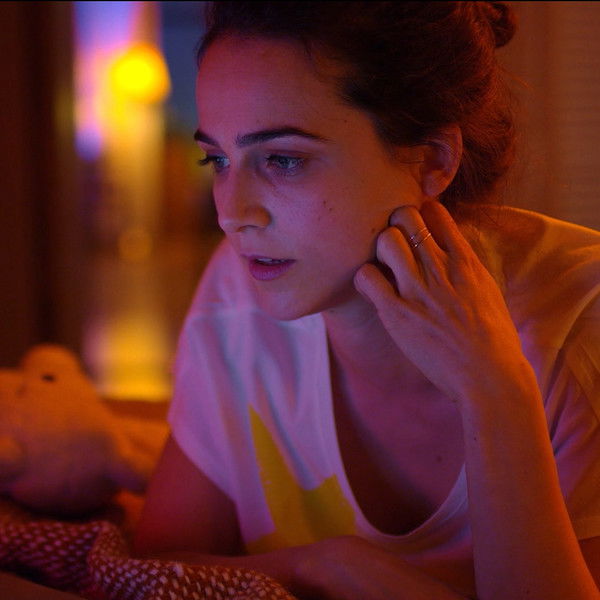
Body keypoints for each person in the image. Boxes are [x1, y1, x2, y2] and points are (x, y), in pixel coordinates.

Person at [134, 2, 600, 598]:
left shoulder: (579, 326)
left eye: (283, 159)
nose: (232, 214)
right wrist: (330, 568)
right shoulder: (239, 293)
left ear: (433, 159)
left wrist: (496, 392)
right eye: (218, 160)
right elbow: (154, 572)